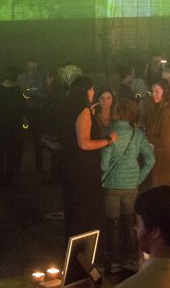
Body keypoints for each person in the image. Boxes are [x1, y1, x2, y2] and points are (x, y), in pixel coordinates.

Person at [59, 76, 118, 240]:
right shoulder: (83, 111)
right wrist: (108, 140)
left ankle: (73, 245)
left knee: (73, 207)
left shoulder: (67, 107)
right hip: (83, 167)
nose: (93, 92)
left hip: (70, 163)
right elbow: (84, 143)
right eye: (91, 89)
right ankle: (83, 247)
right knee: (84, 207)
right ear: (86, 90)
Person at [101, 99, 155, 273]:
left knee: (112, 222)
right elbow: (150, 160)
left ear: (116, 113)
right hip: (131, 184)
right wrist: (139, 178)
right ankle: (131, 257)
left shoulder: (109, 132)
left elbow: (104, 164)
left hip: (111, 185)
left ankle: (115, 260)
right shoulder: (138, 134)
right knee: (129, 220)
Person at [0, 66, 27, 187]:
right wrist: (25, 126)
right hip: (14, 129)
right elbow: (23, 110)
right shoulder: (17, 91)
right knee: (11, 154)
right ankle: (9, 178)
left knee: (0, 154)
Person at [142, 80, 170, 187]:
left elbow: (164, 141)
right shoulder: (159, 109)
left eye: (157, 91)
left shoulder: (168, 113)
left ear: (165, 92)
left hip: (166, 160)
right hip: (159, 158)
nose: (153, 94)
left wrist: (144, 136)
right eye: (152, 91)